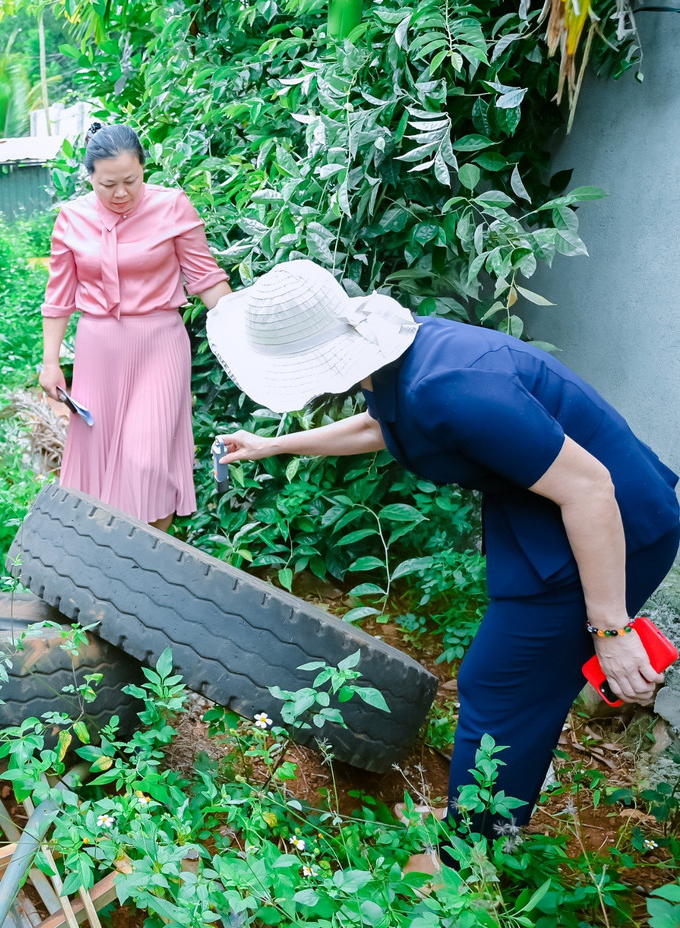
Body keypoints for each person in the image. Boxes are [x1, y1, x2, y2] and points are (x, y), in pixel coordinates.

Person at [208, 260, 680, 873]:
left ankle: (468, 860)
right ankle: (478, 823)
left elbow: (591, 491)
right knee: (512, 686)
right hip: (555, 518)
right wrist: (276, 444)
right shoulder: (402, 365)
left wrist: (611, 629)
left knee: (501, 691)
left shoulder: (453, 388)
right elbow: (385, 427)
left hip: (608, 531)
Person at [39, 124, 233, 530]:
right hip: (98, 349)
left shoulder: (173, 206)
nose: (121, 192)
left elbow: (206, 279)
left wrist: (239, 328)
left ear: (144, 168)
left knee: (148, 460)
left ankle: (146, 561)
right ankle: (101, 564)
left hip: (159, 343)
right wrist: (50, 363)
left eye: (131, 180)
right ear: (89, 176)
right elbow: (59, 297)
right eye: (108, 184)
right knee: (98, 460)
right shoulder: (71, 219)